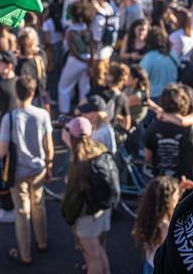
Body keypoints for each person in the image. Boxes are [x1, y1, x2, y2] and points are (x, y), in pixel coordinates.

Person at [0, 75, 53, 265]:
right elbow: (49, 144)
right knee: (39, 205)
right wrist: (49, 164)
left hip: (18, 172)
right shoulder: (42, 115)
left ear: (16, 92)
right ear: (33, 92)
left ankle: (25, 253)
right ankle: (42, 241)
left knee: (22, 211)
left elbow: (2, 150)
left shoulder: (9, 118)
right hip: (38, 169)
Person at [59, 117, 116, 274]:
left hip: (87, 215)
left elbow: (71, 199)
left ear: (72, 136)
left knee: (92, 257)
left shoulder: (78, 161)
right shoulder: (99, 149)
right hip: (103, 209)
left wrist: (69, 217)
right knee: (99, 250)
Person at [132, 176, 182, 274]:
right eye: (177, 195)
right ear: (168, 199)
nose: (179, 197)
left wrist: (180, 188)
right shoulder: (166, 226)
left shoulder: (149, 217)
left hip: (149, 265)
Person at [58, 0, 95, 113]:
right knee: (84, 88)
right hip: (87, 59)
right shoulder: (88, 30)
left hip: (75, 61)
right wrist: (89, 63)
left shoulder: (70, 31)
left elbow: (72, 50)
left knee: (63, 87)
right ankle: (83, 111)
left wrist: (82, 61)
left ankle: (64, 112)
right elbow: (92, 48)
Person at [140, 28, 180, 97]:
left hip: (154, 96)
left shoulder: (148, 58)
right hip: (172, 95)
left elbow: (141, 78)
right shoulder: (173, 54)